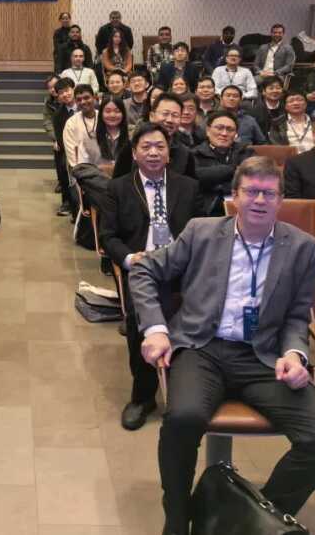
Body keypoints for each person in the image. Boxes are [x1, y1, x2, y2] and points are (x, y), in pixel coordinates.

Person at [131, 155, 315, 534]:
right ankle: (177, 518)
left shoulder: (303, 247)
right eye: (251, 192)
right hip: (202, 348)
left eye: (269, 193)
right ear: (234, 197)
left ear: (281, 200)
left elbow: (298, 315)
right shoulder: (201, 231)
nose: (260, 200)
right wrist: (156, 329)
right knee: (183, 418)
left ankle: (246, 519)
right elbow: (145, 270)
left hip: (263, 357)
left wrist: (295, 354)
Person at [100, 122, 202, 430]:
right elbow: (108, 236)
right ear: (134, 153)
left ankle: (187, 391)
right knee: (139, 324)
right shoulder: (118, 188)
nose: (154, 152)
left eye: (160, 146)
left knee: (196, 322)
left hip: (182, 267)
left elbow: (202, 231)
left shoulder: (188, 187)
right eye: (146, 147)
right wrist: (130, 259)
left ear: (169, 153)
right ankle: (143, 397)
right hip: (142, 268)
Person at [113, 93, 197, 179]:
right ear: (152, 116)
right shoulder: (131, 147)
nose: (170, 120)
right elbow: (117, 183)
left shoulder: (185, 154)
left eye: (175, 115)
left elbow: (191, 185)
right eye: (165, 114)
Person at [193, 110, 256, 216]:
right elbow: (196, 178)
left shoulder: (246, 152)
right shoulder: (195, 154)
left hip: (241, 208)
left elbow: (252, 179)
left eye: (230, 130)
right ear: (208, 131)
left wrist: (214, 181)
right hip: (206, 211)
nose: (224, 133)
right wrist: (232, 169)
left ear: (236, 134)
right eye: (219, 128)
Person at [51, 78, 77, 216]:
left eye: (67, 90)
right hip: (69, 149)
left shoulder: (85, 105)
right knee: (62, 163)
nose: (65, 94)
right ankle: (67, 201)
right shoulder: (58, 115)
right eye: (61, 93)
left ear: (73, 89)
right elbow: (61, 138)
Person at [63, 84, 101, 169]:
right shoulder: (71, 123)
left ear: (94, 97)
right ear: (76, 102)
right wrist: (81, 171)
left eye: (86, 98)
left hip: (104, 168)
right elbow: (72, 154)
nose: (83, 102)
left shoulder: (104, 118)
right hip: (81, 170)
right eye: (79, 100)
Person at [95, 97, 129, 173]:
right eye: (108, 111)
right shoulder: (91, 137)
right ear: (101, 114)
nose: (112, 115)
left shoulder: (132, 135)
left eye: (117, 111)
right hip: (98, 179)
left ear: (123, 113)